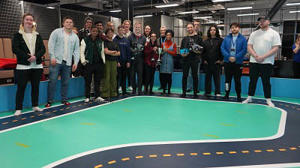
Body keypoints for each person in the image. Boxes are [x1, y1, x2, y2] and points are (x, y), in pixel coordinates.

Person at [242, 16, 281, 107]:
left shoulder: (274, 33)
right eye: (260, 21)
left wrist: (263, 57)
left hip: (267, 62)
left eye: (264, 20)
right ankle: (249, 97)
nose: (261, 22)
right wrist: (255, 55)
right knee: (252, 80)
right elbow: (249, 46)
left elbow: (275, 48)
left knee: (266, 81)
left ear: (268, 22)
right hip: (254, 61)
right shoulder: (254, 33)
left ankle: (268, 99)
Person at [12, 13, 46, 116]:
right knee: (21, 87)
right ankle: (18, 108)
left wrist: (35, 57)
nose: (29, 21)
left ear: (33, 22)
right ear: (23, 21)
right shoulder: (17, 35)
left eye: (31, 20)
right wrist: (28, 58)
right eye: (27, 19)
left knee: (35, 87)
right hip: (23, 66)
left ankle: (35, 106)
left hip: (37, 65)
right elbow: (15, 49)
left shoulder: (38, 35)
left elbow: (42, 49)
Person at [45, 16, 80, 107]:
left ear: (73, 24)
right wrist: (52, 56)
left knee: (66, 82)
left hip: (68, 63)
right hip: (55, 61)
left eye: (71, 22)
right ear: (63, 24)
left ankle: (64, 99)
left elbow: (76, 51)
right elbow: (51, 44)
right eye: (67, 22)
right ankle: (49, 101)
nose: (69, 23)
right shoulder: (56, 32)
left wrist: (75, 62)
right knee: (52, 81)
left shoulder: (75, 36)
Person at [221, 23, 247, 102]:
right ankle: (226, 94)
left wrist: (236, 57)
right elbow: (222, 48)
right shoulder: (226, 38)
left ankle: (238, 96)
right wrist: (228, 57)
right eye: (232, 27)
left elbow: (244, 50)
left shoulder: (243, 39)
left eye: (235, 27)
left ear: (238, 28)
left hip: (238, 62)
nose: (234, 29)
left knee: (237, 80)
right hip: (227, 62)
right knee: (227, 80)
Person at [80, 25, 105, 103]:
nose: (95, 32)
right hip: (89, 63)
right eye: (93, 31)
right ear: (90, 31)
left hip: (98, 63)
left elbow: (102, 51)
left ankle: (97, 96)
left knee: (97, 81)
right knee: (88, 81)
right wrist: (83, 61)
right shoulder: (85, 40)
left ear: (98, 32)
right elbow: (81, 52)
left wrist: (103, 61)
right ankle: (87, 96)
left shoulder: (100, 40)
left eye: (96, 31)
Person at [180, 23, 203, 98]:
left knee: (195, 76)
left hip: (195, 60)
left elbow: (201, 50)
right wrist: (183, 54)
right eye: (188, 27)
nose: (189, 29)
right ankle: (184, 92)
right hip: (186, 60)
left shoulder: (198, 38)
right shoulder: (184, 39)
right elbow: (181, 49)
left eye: (191, 27)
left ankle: (195, 93)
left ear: (193, 28)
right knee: (185, 76)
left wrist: (197, 50)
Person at [202, 25, 223, 97]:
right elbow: (203, 52)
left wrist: (220, 60)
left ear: (216, 31)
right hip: (207, 63)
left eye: (214, 30)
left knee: (217, 78)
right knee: (207, 78)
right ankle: (207, 91)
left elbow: (222, 51)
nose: (212, 31)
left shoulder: (220, 40)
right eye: (211, 30)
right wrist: (204, 60)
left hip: (216, 62)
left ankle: (217, 92)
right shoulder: (205, 41)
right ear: (209, 31)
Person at [128, 22, 146, 95]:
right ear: (134, 28)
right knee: (132, 75)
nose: (137, 29)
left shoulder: (143, 38)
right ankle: (134, 89)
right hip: (132, 59)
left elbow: (145, 48)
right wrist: (132, 50)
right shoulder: (130, 37)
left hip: (140, 59)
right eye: (136, 27)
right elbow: (128, 47)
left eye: (138, 27)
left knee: (140, 75)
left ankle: (139, 90)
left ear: (140, 28)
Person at [102, 28, 120, 98]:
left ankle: (113, 93)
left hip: (114, 62)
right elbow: (106, 51)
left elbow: (119, 53)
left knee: (113, 78)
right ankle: (105, 93)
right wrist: (113, 52)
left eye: (112, 32)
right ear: (106, 34)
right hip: (107, 61)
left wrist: (111, 53)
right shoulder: (105, 42)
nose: (110, 34)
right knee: (106, 77)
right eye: (109, 32)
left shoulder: (115, 42)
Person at [114, 25, 131, 95]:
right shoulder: (115, 40)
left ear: (124, 31)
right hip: (118, 62)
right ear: (118, 31)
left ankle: (124, 91)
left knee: (124, 77)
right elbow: (114, 51)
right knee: (118, 77)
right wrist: (117, 61)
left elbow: (128, 52)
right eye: (120, 30)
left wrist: (128, 61)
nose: (121, 31)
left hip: (125, 61)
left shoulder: (126, 40)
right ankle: (116, 91)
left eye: (122, 30)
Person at [187, 20, 203, 92]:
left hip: (196, 58)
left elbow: (201, 48)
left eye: (197, 25)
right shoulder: (187, 37)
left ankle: (196, 88)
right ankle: (189, 87)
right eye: (195, 25)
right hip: (188, 58)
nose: (196, 26)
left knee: (196, 74)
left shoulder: (199, 37)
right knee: (189, 74)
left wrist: (194, 47)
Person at [160, 29, 177, 95]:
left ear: (172, 36)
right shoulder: (162, 44)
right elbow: (160, 53)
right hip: (163, 62)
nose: (168, 36)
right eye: (167, 35)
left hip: (170, 62)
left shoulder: (174, 44)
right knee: (163, 77)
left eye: (170, 35)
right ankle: (164, 90)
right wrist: (162, 52)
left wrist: (167, 50)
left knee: (169, 77)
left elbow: (175, 53)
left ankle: (169, 90)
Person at [123, 20, 133, 91]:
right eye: (125, 24)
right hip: (122, 56)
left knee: (130, 72)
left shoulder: (132, 34)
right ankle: (120, 86)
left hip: (129, 56)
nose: (126, 26)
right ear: (123, 25)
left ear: (130, 26)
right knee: (121, 72)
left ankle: (130, 85)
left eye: (128, 24)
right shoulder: (120, 33)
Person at [157, 26, 167, 90]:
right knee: (160, 72)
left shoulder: (168, 39)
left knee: (166, 72)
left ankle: (166, 86)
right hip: (159, 57)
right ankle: (162, 85)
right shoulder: (158, 39)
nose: (162, 31)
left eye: (164, 30)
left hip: (166, 57)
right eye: (161, 30)